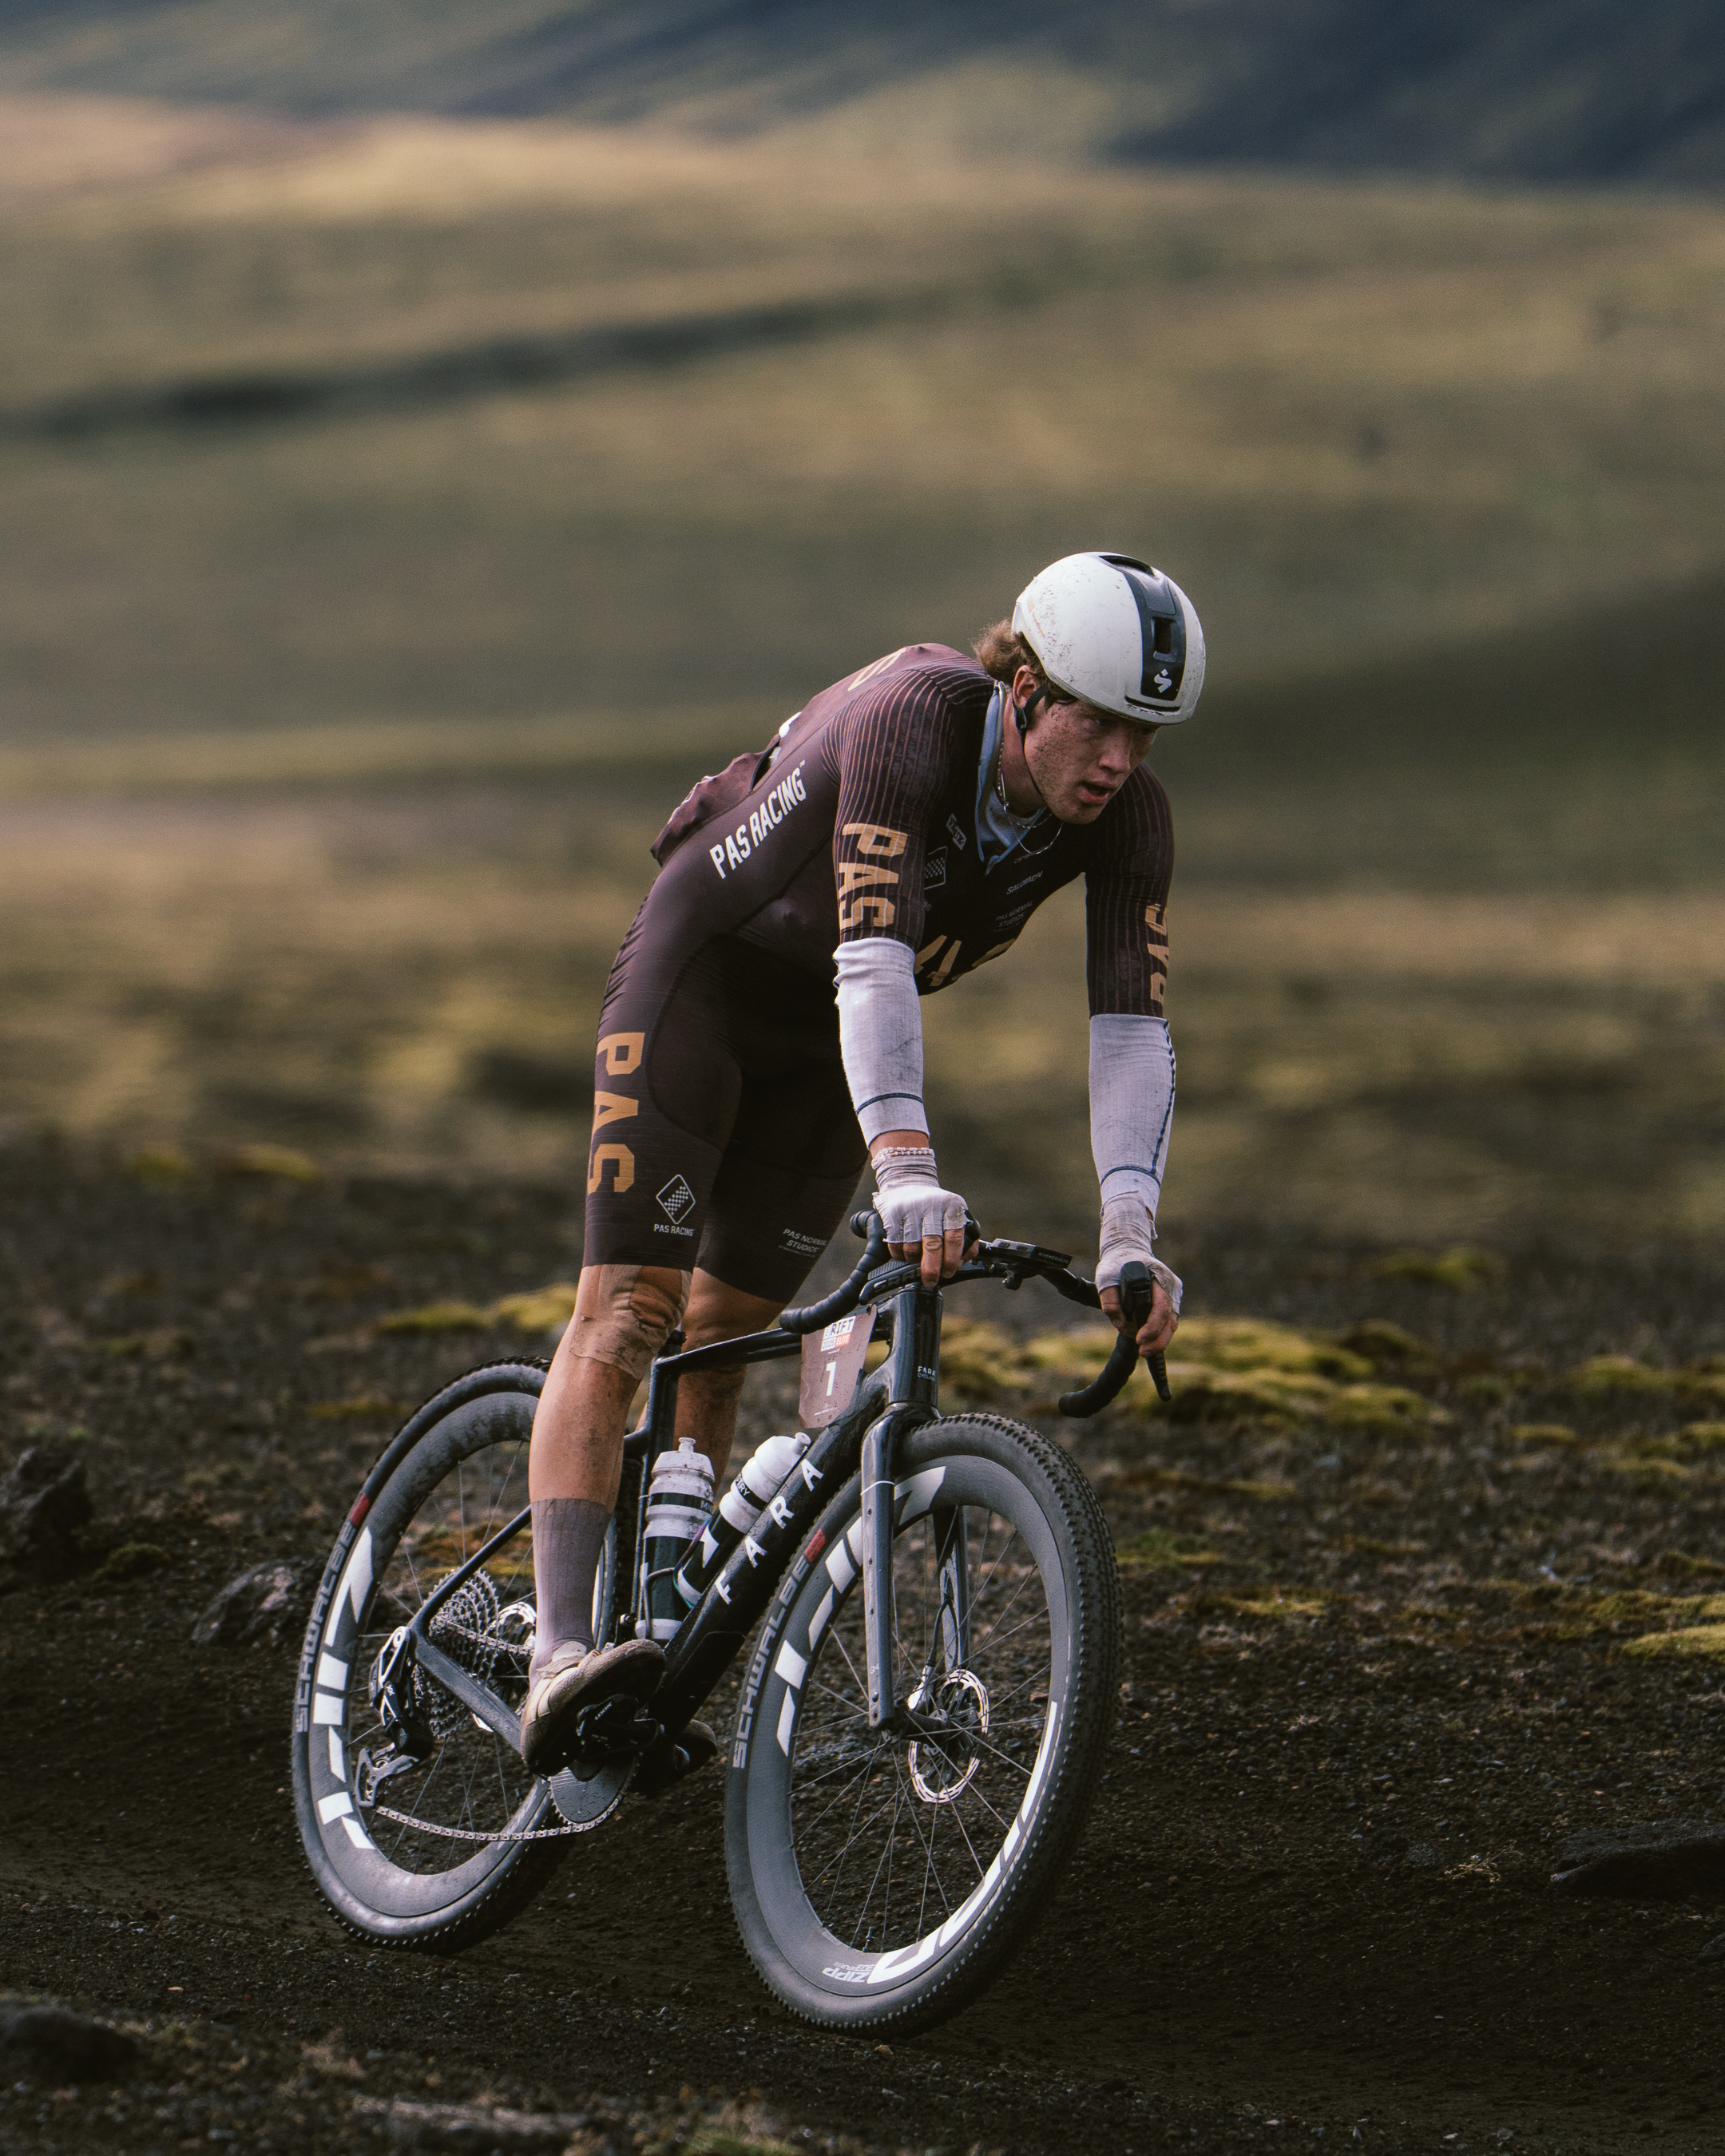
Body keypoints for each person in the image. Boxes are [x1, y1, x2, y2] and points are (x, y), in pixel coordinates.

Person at [521, 549, 1203, 1774]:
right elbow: (877, 958)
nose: (1119, 761)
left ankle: (661, 1633)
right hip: (712, 983)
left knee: (732, 1332)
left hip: (826, 1048)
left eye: (1145, 736)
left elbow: (1132, 1029)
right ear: (1032, 690)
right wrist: (904, 1163)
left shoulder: (1129, 821)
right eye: (1100, 723)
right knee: (632, 1312)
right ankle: (559, 1658)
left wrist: (1132, 1232)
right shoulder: (915, 719)